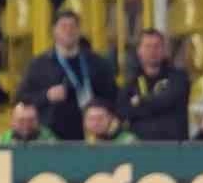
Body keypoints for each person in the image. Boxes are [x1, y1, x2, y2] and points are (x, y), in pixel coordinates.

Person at [18, 10, 120, 140]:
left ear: (79, 31)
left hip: (93, 132)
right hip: (52, 134)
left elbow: (113, 95)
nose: (68, 31)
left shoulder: (97, 63)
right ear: (54, 31)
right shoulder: (39, 65)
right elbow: (22, 98)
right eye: (63, 26)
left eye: (73, 26)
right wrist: (47, 95)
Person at [121, 29, 191, 140]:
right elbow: (123, 110)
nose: (152, 51)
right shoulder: (131, 81)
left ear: (164, 50)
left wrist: (140, 101)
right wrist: (156, 103)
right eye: (148, 46)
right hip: (140, 145)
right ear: (139, 51)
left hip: (173, 145)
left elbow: (167, 100)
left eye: (157, 46)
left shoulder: (178, 78)